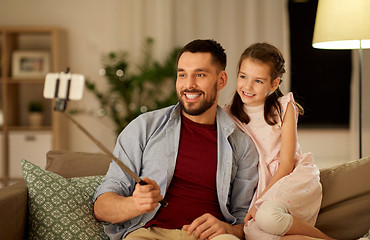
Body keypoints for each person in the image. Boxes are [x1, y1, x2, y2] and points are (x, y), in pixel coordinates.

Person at [93, 39, 259, 240]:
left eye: (200, 74)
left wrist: (228, 229)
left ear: (221, 80)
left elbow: (245, 221)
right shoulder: (144, 127)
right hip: (148, 234)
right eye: (182, 74)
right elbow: (101, 207)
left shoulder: (242, 145)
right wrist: (134, 204)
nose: (189, 84)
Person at [224, 42, 334, 240]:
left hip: (289, 179)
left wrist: (259, 202)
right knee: (253, 233)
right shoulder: (229, 114)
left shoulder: (284, 108)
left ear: (274, 84)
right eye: (242, 76)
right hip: (260, 184)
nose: (247, 86)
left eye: (258, 81)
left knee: (268, 217)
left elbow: (286, 165)